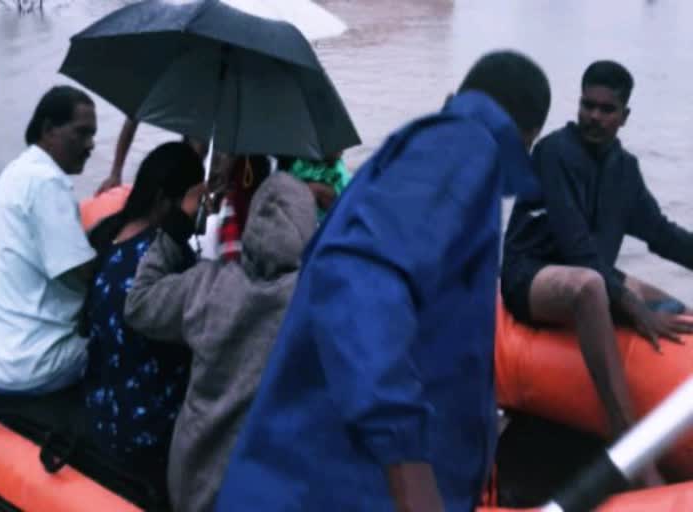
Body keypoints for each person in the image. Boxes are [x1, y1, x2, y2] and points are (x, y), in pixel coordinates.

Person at [215, 50, 551, 512]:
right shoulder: (464, 143)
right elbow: (357, 278)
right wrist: (410, 473)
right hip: (340, 491)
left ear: (452, 96)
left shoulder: (421, 157)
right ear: (528, 137)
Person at [501, 61, 693, 454]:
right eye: (588, 105)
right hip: (534, 276)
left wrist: (641, 300)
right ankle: (625, 436)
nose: (594, 116)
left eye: (607, 110)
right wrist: (632, 305)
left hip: (595, 273)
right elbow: (576, 249)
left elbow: (661, 234)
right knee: (591, 285)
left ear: (625, 116)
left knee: (673, 306)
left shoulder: (625, 169)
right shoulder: (553, 153)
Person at [124, 172, 317, 512]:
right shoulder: (315, 304)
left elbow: (138, 304)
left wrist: (176, 227)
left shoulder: (207, 285)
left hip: (189, 484)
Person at [0, 85, 97, 394]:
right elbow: (83, 275)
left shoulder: (18, 170)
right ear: (49, 129)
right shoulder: (47, 183)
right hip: (29, 366)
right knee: (126, 338)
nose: (91, 145)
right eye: (82, 133)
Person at [82, 141, 204, 468]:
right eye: (195, 201)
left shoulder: (112, 232)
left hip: (102, 409)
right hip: (146, 428)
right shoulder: (163, 257)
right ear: (167, 201)